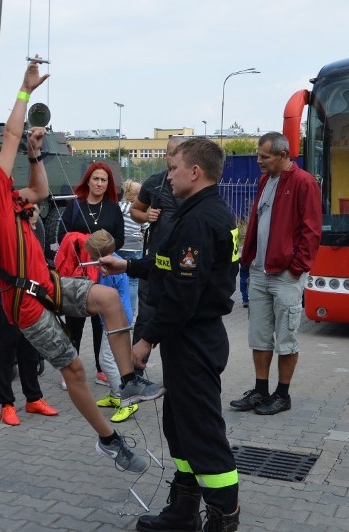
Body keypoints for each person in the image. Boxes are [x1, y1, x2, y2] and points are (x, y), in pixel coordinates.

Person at [0, 57, 163, 474]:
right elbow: (12, 131)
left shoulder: (5, 198)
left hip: (47, 282)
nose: (2, 154)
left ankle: (129, 380)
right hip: (28, 305)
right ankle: (109, 440)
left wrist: (34, 155)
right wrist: (25, 89)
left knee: (107, 298)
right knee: (75, 369)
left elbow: (40, 190)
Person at [101, 137, 241, 531]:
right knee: (179, 428)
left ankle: (223, 518)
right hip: (190, 338)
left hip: (194, 338)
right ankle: (183, 510)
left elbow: (182, 295)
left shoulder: (199, 218)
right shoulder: (200, 211)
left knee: (202, 433)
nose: (168, 174)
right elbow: (168, 266)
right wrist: (126, 267)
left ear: (195, 172)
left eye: (174, 167)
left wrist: (146, 339)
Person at [229, 132, 321, 416]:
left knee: (286, 337)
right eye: (258, 155)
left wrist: (297, 268)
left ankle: (282, 394)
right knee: (259, 336)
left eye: (264, 157)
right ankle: (260, 390)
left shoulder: (304, 182)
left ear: (283, 155)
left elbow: (312, 231)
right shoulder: (264, 180)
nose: (258, 161)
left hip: (285, 276)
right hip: (258, 271)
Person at [58, 162, 125, 386]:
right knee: (74, 322)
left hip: (103, 271)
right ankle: (70, 369)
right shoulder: (74, 206)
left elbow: (120, 238)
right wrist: (82, 240)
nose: (99, 183)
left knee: (100, 322)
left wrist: (102, 248)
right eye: (95, 179)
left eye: (103, 180)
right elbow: (61, 235)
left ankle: (101, 369)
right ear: (88, 180)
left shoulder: (113, 208)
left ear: (109, 184)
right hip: (77, 272)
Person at [0, 210, 58, 426]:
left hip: (33, 304)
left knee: (30, 352)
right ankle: (7, 404)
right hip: (11, 304)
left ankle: (33, 398)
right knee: (7, 353)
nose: (34, 214)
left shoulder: (37, 229)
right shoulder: (7, 237)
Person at [130, 136, 187, 347]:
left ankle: (175, 374)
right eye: (172, 152)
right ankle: (135, 372)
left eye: (180, 152)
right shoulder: (154, 182)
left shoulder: (195, 185)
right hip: (154, 262)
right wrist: (146, 216)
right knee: (146, 318)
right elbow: (135, 210)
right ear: (166, 155)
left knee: (178, 322)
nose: (175, 157)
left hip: (183, 263)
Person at [85, 229, 137, 423]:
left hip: (117, 320)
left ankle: (128, 401)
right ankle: (116, 395)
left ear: (97, 254)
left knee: (106, 360)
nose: (88, 257)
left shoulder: (110, 269)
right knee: (111, 359)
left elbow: (106, 295)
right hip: (113, 319)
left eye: (90, 253)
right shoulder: (111, 261)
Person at [117, 179, 143, 314]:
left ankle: (117, 310)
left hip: (120, 247)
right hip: (135, 248)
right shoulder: (138, 211)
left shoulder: (119, 207)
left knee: (119, 278)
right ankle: (130, 312)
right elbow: (145, 227)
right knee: (133, 282)